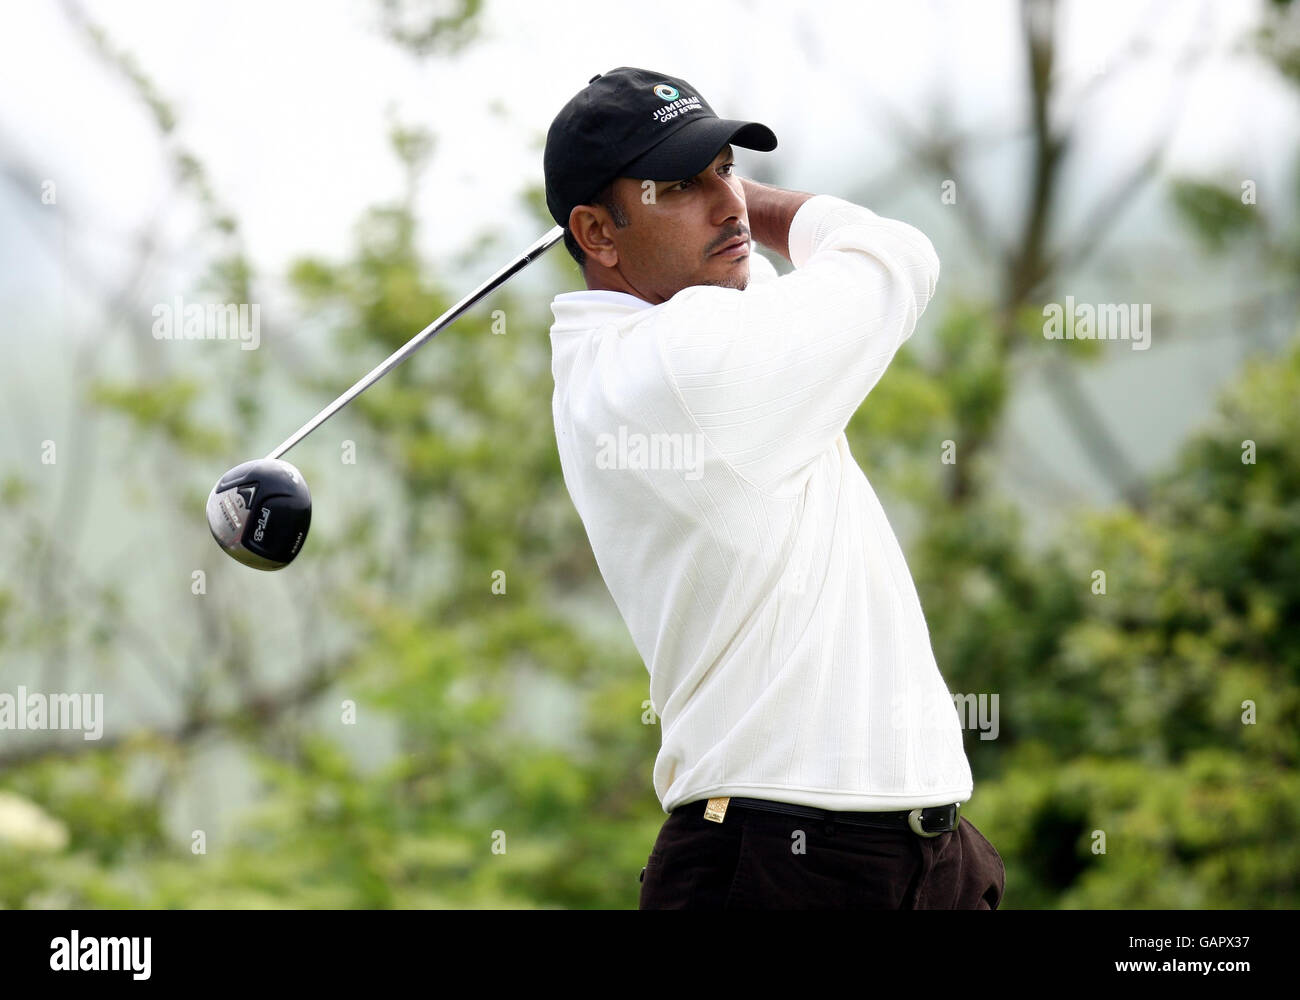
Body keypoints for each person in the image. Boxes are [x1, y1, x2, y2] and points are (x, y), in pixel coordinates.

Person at [542, 67, 1005, 909]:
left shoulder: (630, 350)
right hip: (788, 856)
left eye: (726, 169)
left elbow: (747, 277)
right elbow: (898, 254)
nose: (729, 207)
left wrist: (702, 202)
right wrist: (765, 201)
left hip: (905, 848)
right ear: (595, 234)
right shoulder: (686, 363)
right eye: (682, 185)